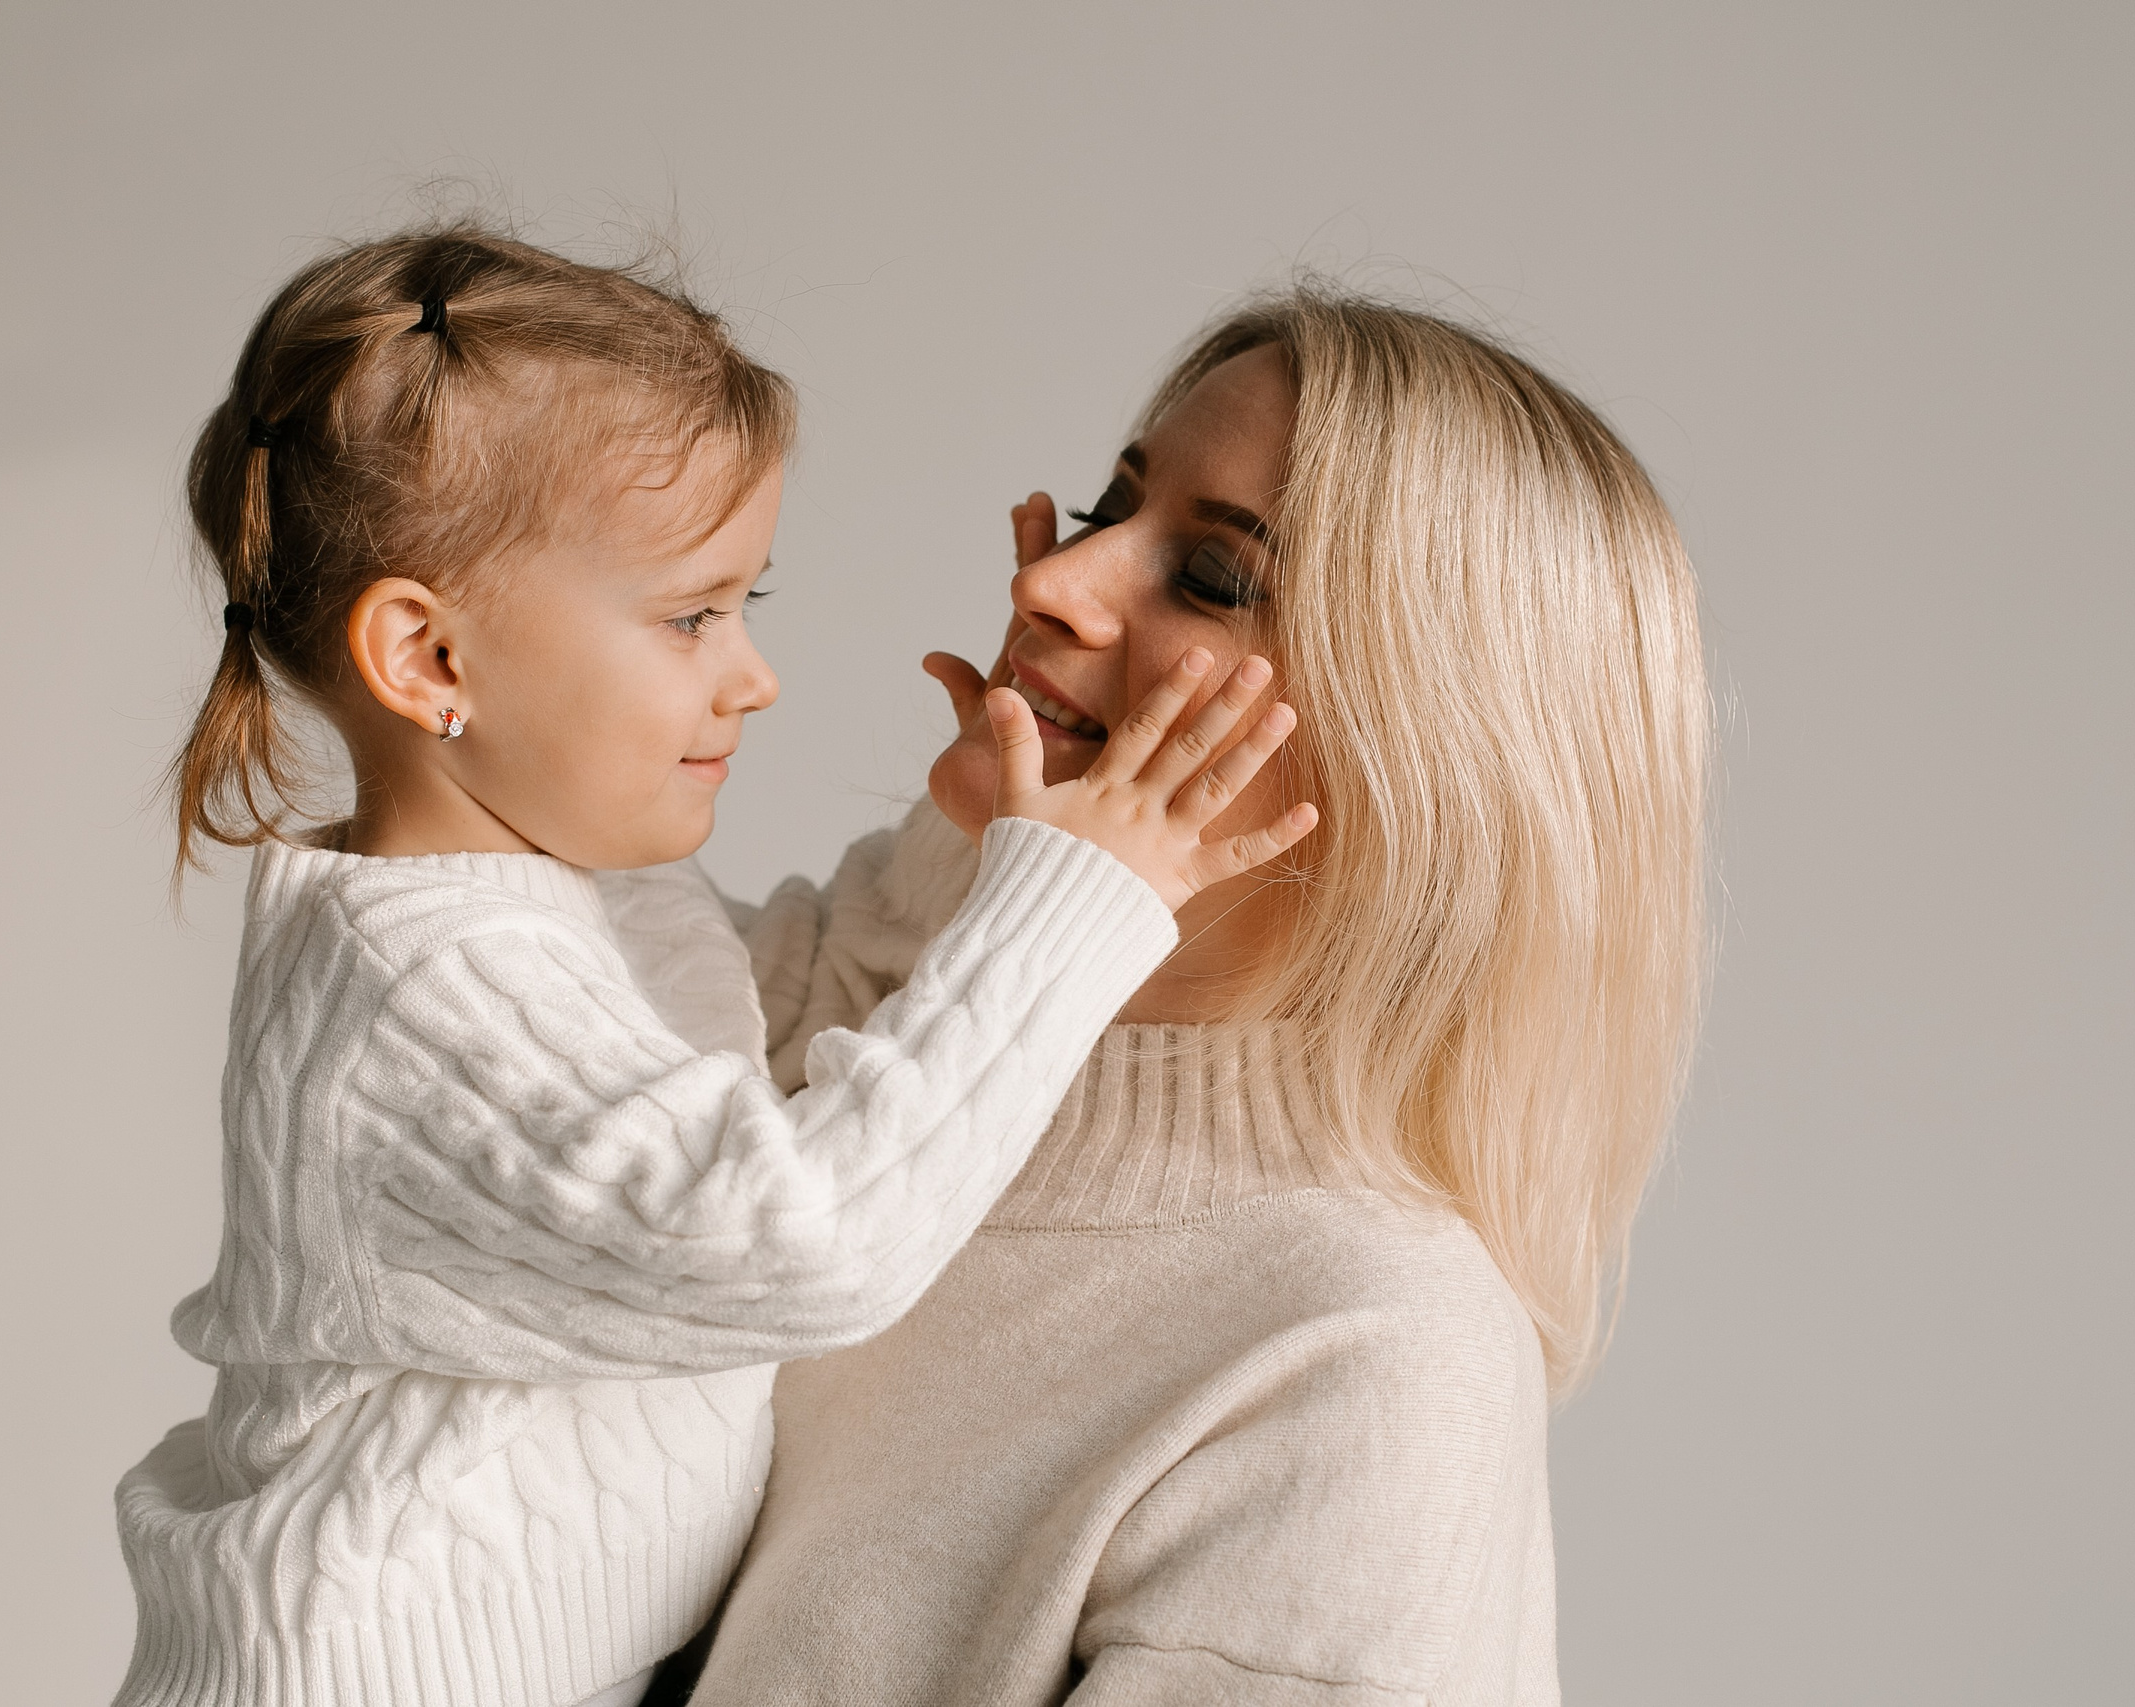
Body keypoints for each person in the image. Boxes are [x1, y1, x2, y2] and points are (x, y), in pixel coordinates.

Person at [108, 225, 1316, 1707]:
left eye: (752, 605)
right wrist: (1076, 896)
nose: (752, 675)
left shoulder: (584, 899)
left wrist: (1021, 792)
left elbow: (821, 985)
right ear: (429, 662)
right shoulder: (423, 997)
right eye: (691, 615)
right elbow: (806, 1237)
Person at [683, 288, 1712, 1705]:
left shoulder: (1362, 1358)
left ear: (1418, 750)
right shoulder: (856, 989)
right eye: (1113, 502)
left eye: (1214, 579)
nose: (1054, 583)